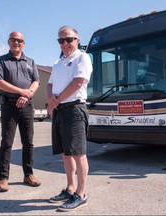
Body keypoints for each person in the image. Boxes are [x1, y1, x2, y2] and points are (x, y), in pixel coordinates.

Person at [46, 26, 93, 212]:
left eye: (69, 39)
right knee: (66, 153)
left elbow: (78, 82)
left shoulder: (82, 57)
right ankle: (70, 188)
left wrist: (55, 101)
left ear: (77, 40)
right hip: (59, 110)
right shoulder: (58, 62)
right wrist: (51, 101)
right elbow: (50, 84)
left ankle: (81, 194)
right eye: (61, 40)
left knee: (78, 152)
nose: (65, 43)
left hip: (74, 109)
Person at [0, 31, 41, 192]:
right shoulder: (1, 61)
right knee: (6, 143)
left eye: (20, 40)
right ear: (9, 42)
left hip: (26, 106)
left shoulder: (30, 61)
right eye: (13, 40)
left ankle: (28, 175)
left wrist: (26, 96)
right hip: (9, 106)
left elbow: (36, 82)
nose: (16, 42)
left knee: (28, 142)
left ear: (24, 43)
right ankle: (3, 178)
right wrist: (21, 91)